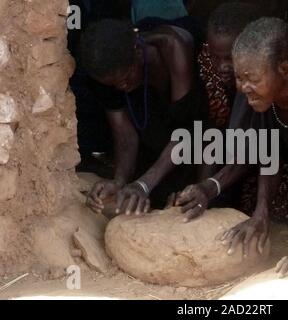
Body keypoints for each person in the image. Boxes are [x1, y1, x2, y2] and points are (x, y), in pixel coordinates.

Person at [175, 17, 288, 278]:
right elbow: (259, 150)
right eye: (238, 77)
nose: (243, 86)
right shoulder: (256, 97)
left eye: (251, 78)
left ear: (284, 69)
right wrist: (209, 188)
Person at [110, 2, 262, 217]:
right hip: (219, 159)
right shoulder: (206, 69)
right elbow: (206, 134)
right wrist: (199, 188)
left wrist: (207, 189)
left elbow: (258, 146)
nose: (222, 66)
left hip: (260, 158)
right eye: (215, 56)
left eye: (229, 57)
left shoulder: (262, 80)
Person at [81, 19, 204, 213]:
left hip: (197, 126)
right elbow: (125, 137)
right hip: (159, 122)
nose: (122, 87)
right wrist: (119, 180)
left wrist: (144, 184)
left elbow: (186, 132)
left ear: (138, 51)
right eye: (114, 85)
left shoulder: (172, 50)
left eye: (126, 78)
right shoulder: (105, 73)